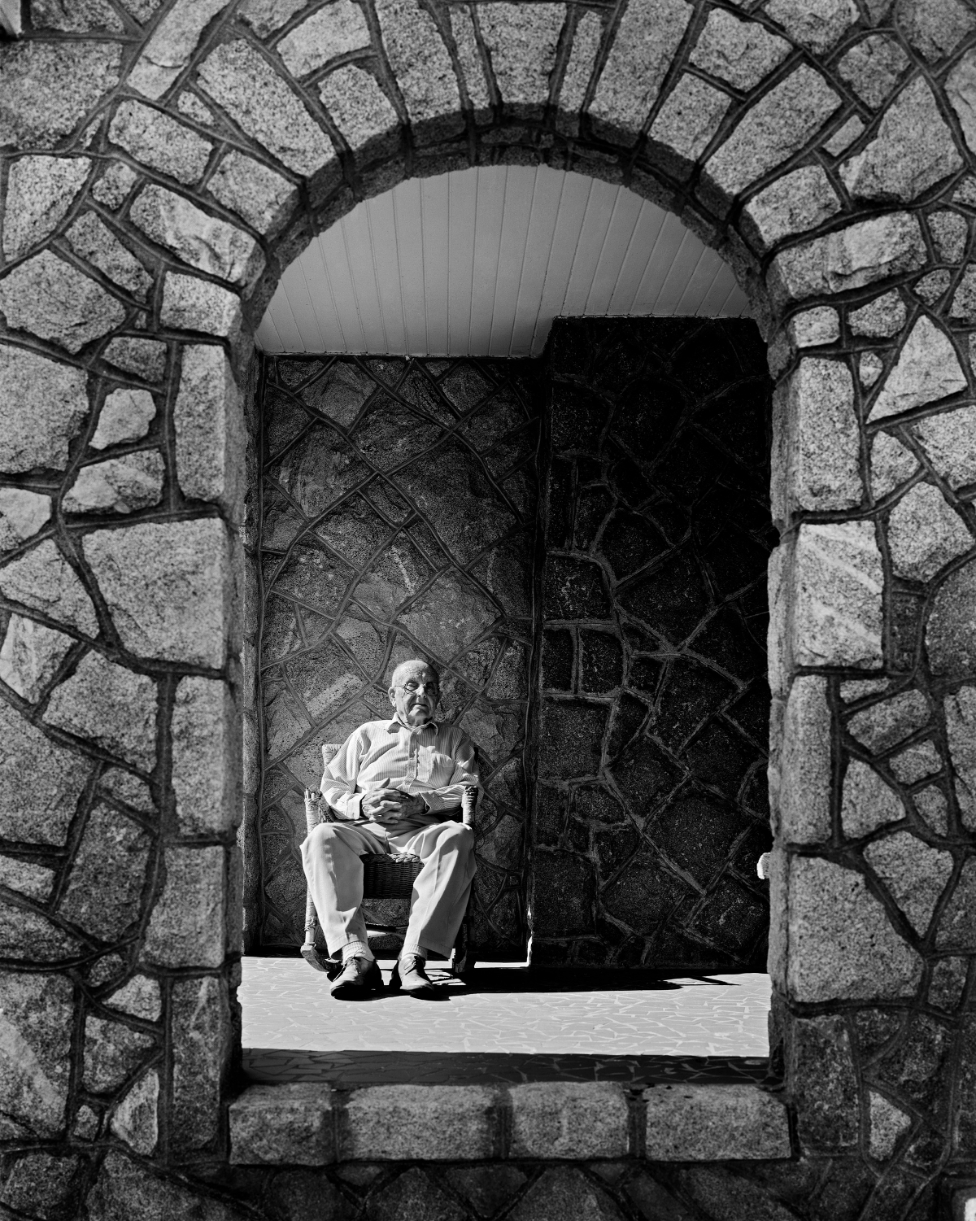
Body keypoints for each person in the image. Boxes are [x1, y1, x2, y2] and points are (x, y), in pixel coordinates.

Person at [301, 658, 479, 998]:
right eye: (411, 687)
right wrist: (361, 804)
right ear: (392, 696)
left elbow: (466, 788)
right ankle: (357, 958)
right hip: (365, 829)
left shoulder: (455, 738)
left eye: (430, 688)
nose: (422, 694)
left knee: (459, 835)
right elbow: (332, 787)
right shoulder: (367, 734)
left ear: (438, 697)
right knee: (322, 836)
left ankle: (411, 958)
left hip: (424, 830)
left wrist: (422, 803)